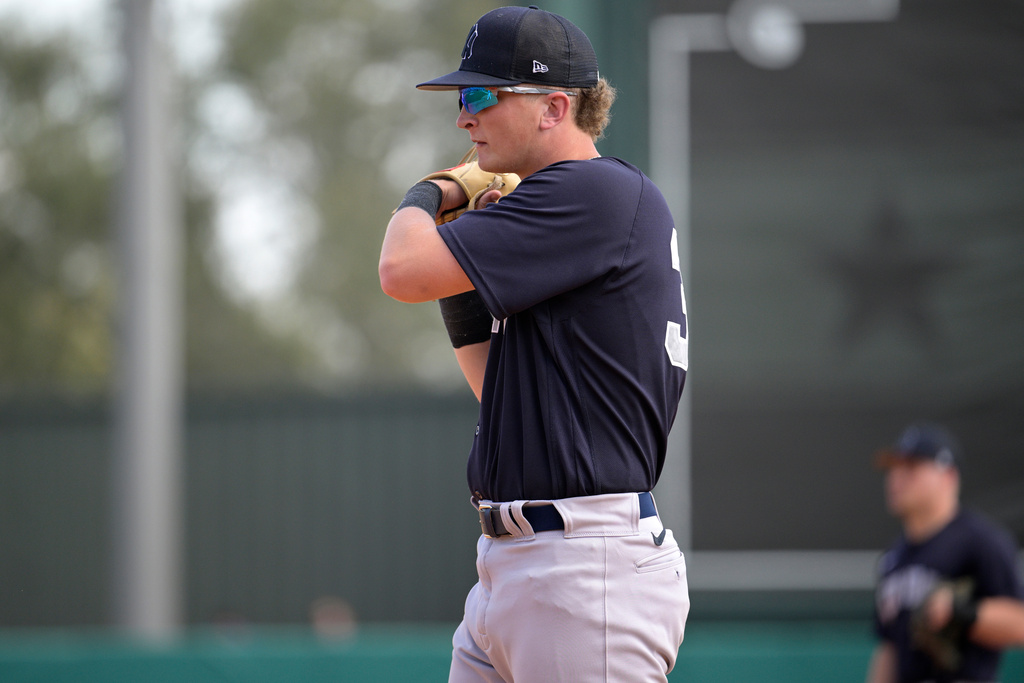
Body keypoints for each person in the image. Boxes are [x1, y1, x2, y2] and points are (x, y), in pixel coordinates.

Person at [378, 6, 689, 682]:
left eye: (482, 94)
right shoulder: (571, 207)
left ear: (554, 107)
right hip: (522, 564)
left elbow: (399, 269)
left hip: (583, 566)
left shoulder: (592, 190)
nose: (464, 116)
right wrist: (467, 277)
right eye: (463, 96)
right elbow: (495, 388)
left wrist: (434, 190)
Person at [866, 422, 1024, 683]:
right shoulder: (894, 557)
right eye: (893, 468)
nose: (896, 477)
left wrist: (964, 611)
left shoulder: (981, 542)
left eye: (912, 467)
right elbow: (889, 648)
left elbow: (1020, 624)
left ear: (948, 476)